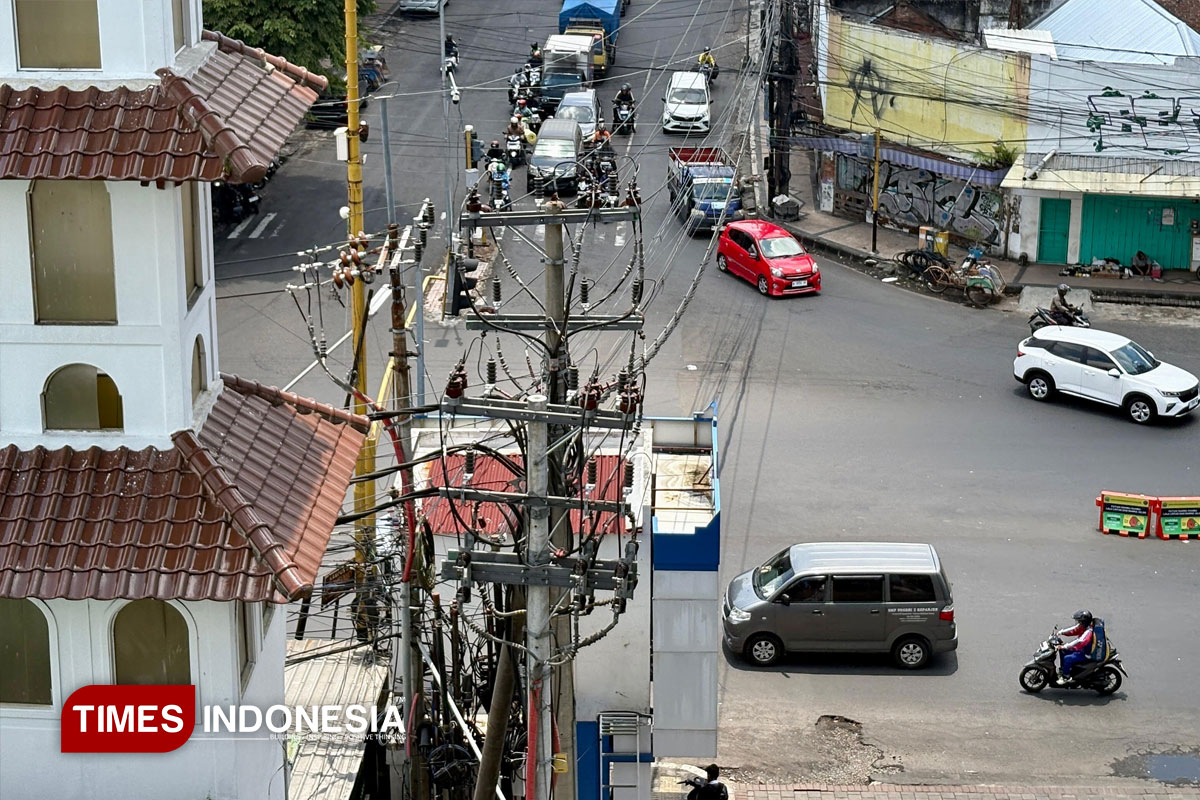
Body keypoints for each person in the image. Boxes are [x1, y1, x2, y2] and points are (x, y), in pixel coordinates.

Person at [1056, 610, 1099, 681]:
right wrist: (1060, 632)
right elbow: (1074, 629)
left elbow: (1080, 640)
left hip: (1085, 654)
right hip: (1081, 649)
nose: (1078, 623)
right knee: (1062, 650)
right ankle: (1064, 669)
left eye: (1080, 621)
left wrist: (1065, 646)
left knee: (1067, 658)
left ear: (1084, 622)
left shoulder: (1089, 632)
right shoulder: (1085, 627)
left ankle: (1066, 676)